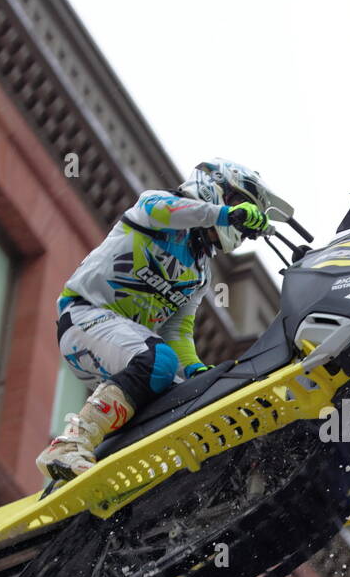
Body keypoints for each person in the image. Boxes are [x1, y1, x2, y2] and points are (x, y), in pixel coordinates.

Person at [36, 159, 276, 481]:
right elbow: (167, 210)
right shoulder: (153, 207)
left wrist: (196, 371)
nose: (240, 219)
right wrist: (224, 214)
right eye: (239, 203)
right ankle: (69, 444)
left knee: (189, 403)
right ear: (214, 187)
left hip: (126, 346)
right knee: (159, 359)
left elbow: (177, 328)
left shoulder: (201, 271)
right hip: (83, 316)